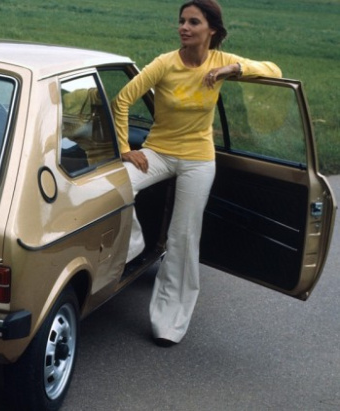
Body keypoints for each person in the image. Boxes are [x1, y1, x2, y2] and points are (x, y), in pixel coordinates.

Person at [112, 0, 281, 347]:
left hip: (198, 160)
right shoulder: (165, 63)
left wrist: (230, 70)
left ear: (212, 30)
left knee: (183, 238)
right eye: (181, 21)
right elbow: (123, 100)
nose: (184, 28)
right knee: (114, 189)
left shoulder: (220, 62)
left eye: (193, 22)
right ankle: (133, 245)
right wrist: (126, 150)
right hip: (158, 151)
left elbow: (273, 71)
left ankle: (168, 323)